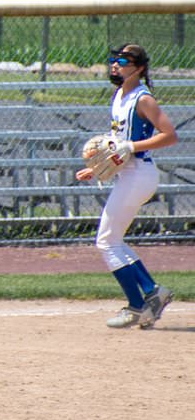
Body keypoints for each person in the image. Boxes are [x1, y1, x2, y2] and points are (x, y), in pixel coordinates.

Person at [76, 44, 178, 329]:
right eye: (113, 60)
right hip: (128, 175)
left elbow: (169, 135)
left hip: (140, 175)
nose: (115, 65)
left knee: (106, 241)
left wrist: (131, 145)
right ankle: (151, 294)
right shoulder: (120, 95)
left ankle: (138, 304)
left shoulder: (143, 99)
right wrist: (95, 168)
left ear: (140, 68)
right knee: (113, 241)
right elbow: (115, 145)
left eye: (123, 60)